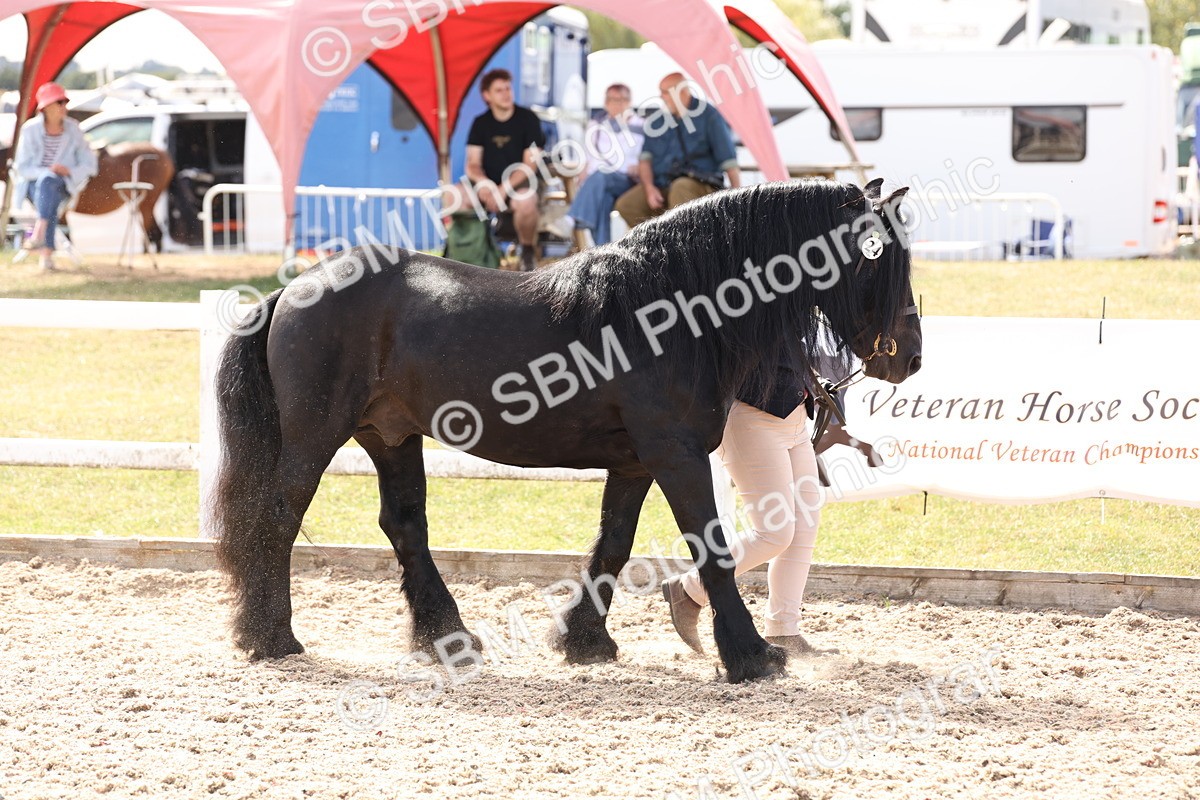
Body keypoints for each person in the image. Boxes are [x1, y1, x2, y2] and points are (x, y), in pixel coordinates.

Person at [661, 342, 838, 658]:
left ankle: (785, 629)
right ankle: (690, 589)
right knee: (775, 532)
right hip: (750, 416)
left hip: (795, 416)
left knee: (806, 522)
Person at [448, 68, 546, 271]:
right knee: (455, 195)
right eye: (499, 90)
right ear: (487, 96)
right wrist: (485, 184)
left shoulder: (528, 119)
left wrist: (501, 190)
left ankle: (527, 251)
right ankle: (465, 250)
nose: (506, 93)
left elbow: (531, 164)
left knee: (526, 200)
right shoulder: (480, 123)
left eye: (508, 88)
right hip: (488, 186)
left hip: (520, 185)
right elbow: (472, 164)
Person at [614, 73, 739, 228]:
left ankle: (682, 247)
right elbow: (645, 159)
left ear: (682, 92)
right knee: (626, 204)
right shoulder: (658, 120)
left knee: (680, 187)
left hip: (701, 185)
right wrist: (649, 188)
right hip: (663, 184)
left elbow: (729, 161)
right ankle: (656, 246)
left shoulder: (709, 115)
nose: (661, 97)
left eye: (665, 92)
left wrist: (736, 201)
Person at [12, 82, 97, 272]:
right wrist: (47, 171)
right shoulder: (30, 129)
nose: (64, 106)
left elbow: (90, 164)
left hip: (63, 184)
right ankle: (45, 254)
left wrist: (68, 171)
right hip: (33, 186)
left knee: (49, 185)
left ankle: (39, 235)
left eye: (65, 101)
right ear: (46, 107)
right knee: (46, 184)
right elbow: (22, 167)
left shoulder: (74, 129)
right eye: (59, 102)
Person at [546, 83, 643, 247]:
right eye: (612, 99)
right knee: (602, 199)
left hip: (627, 181)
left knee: (601, 176)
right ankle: (604, 253)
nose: (617, 104)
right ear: (606, 103)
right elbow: (588, 158)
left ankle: (571, 219)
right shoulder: (596, 125)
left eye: (621, 100)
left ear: (629, 102)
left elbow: (647, 158)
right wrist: (583, 178)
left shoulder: (641, 126)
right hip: (599, 181)